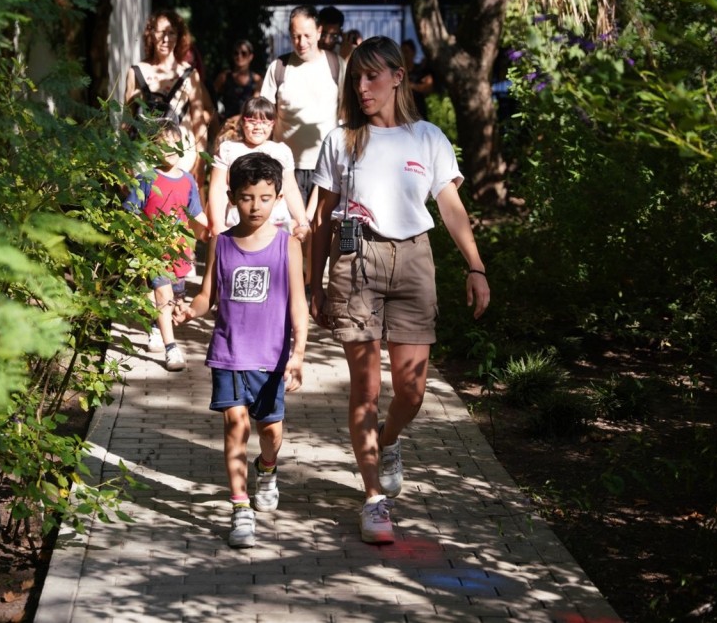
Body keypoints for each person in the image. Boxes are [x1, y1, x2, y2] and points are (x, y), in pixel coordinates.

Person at [309, 36, 490, 544]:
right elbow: (323, 218)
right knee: (365, 390)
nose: (363, 87)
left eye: (372, 76)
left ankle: (388, 441)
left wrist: (475, 267)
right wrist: (314, 283)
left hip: (413, 260)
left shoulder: (427, 137)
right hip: (356, 260)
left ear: (396, 76)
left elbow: (451, 207)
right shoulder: (342, 140)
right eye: (356, 79)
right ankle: (373, 500)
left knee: (411, 390)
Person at [175, 152, 309, 548]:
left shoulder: (288, 246)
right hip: (229, 353)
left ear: (278, 197)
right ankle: (240, 507)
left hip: (271, 358)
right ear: (232, 197)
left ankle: (267, 469)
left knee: (271, 431)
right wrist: (188, 311)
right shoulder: (222, 244)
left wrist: (299, 353)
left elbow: (298, 304)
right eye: (248, 197)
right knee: (236, 425)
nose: (256, 206)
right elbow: (207, 297)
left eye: (266, 198)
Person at [259, 5, 344, 286]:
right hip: (286, 169)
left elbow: (346, 115)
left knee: (321, 233)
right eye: (295, 36)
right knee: (286, 233)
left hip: (327, 169)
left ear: (320, 32)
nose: (301, 42)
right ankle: (285, 289)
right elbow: (265, 116)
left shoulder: (336, 66)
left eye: (307, 35)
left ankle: (315, 290)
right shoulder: (279, 68)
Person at [125, 119, 209, 372]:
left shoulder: (188, 180)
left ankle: (155, 326)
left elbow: (198, 216)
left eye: (175, 144)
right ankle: (172, 349)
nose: (170, 150)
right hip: (152, 251)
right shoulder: (146, 179)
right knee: (163, 293)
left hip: (179, 251)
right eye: (163, 145)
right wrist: (140, 237)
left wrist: (215, 232)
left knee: (173, 296)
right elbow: (129, 211)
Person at [125, 9, 214, 188]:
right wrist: (123, 163)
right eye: (160, 32)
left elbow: (198, 122)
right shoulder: (136, 72)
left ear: (179, 36)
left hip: (181, 157)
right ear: (151, 33)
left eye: (171, 32)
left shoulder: (189, 74)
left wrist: (200, 162)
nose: (166, 39)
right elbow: (126, 121)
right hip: (144, 157)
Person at [208, 97, 309, 241]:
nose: (258, 127)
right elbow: (218, 188)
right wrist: (217, 223)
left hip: (276, 221)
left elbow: (290, 188)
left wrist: (302, 222)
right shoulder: (228, 149)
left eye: (265, 122)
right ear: (242, 122)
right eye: (252, 121)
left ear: (273, 124)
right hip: (237, 219)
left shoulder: (281, 151)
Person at [213, 40, 263, 121]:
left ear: (250, 56)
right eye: (236, 53)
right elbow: (210, 99)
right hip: (226, 124)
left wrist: (238, 119)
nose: (239, 56)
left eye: (243, 53)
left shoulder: (257, 80)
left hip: (248, 124)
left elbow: (255, 107)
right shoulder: (224, 77)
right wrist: (217, 116)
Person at [400, 39, 436, 119]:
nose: (404, 55)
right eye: (402, 52)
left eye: (406, 51)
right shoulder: (398, 73)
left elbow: (429, 87)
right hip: (401, 116)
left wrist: (412, 86)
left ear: (413, 52)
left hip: (419, 114)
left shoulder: (421, 70)